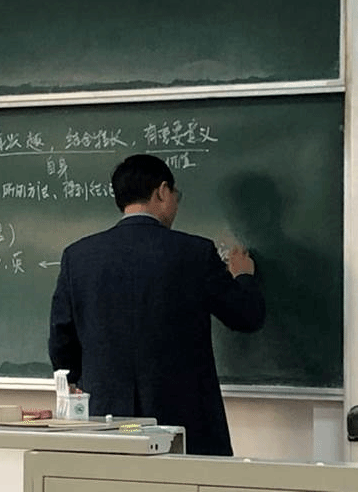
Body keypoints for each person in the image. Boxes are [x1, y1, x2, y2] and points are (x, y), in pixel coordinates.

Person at [48, 154, 265, 456]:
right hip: (182, 422)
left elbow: (61, 336)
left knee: (116, 480)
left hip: (108, 421)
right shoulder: (195, 253)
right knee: (184, 481)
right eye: (175, 195)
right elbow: (246, 316)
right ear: (162, 191)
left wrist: (72, 380)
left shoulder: (78, 257)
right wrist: (244, 277)